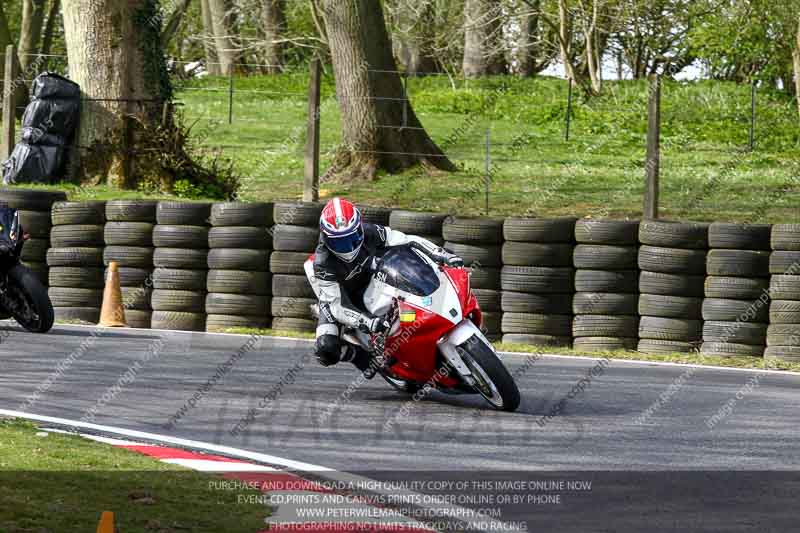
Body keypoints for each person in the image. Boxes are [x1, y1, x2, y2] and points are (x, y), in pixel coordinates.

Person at [308, 198, 463, 373]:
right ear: (326, 238)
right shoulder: (323, 263)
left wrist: (440, 254)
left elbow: (407, 240)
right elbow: (337, 306)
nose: (347, 246)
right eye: (339, 242)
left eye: (352, 237)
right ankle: (357, 355)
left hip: (370, 276)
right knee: (326, 349)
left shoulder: (370, 232)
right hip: (340, 297)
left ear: (359, 227)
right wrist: (366, 321)